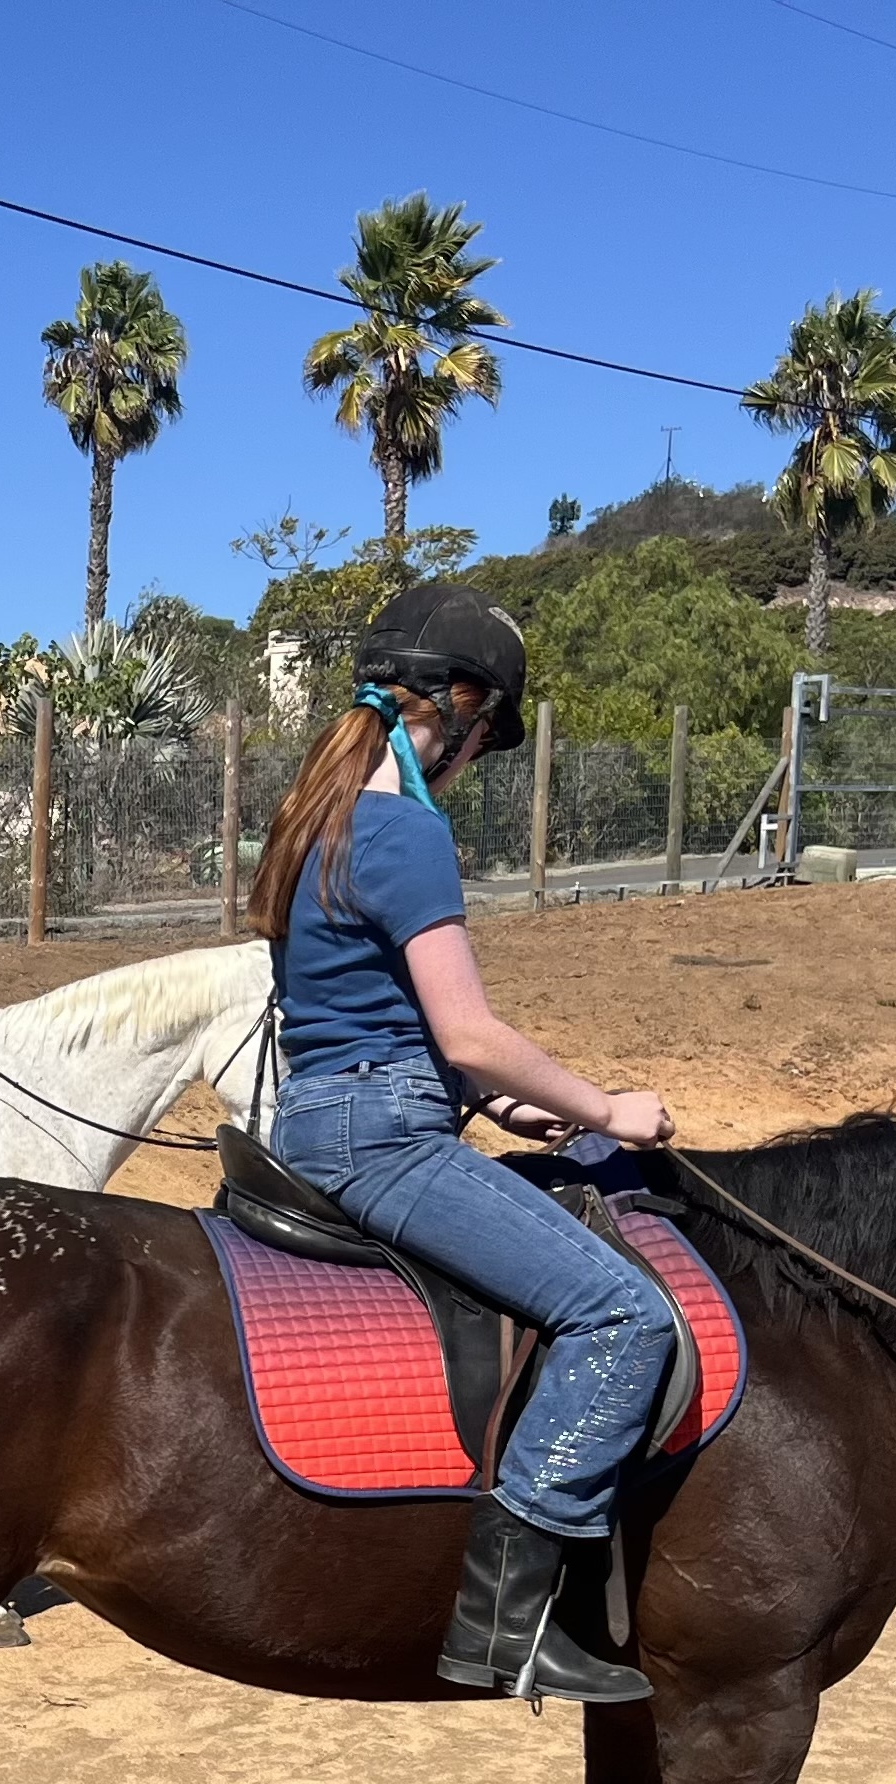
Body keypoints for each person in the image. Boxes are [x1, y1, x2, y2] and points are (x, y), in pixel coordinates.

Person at [248, 583, 678, 1705]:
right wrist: (600, 1108)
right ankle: (509, 1625)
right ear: (461, 706)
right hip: (381, 1136)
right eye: (484, 741)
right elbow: (470, 1031)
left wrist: (491, 1109)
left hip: (331, 1108)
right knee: (624, 1311)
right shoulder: (404, 830)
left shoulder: (319, 815)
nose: (477, 763)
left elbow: (360, 1009)